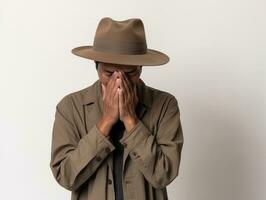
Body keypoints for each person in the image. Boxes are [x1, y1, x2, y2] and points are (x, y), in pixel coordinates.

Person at [50, 17, 184, 200]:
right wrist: (106, 121)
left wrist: (131, 119)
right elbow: (66, 177)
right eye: (110, 73)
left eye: (129, 73)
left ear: (141, 68)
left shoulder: (165, 105)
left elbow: (164, 174)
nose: (120, 81)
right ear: (96, 66)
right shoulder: (70, 107)